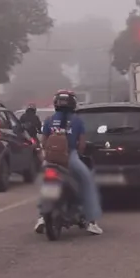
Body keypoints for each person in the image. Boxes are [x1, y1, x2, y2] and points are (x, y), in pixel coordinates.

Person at [34, 91, 103, 235]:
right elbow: (82, 145)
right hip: (70, 157)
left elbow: (44, 141)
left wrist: (48, 154)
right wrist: (78, 152)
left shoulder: (49, 120)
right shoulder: (77, 121)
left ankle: (41, 218)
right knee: (87, 181)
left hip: (50, 159)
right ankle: (91, 221)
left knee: (44, 183)